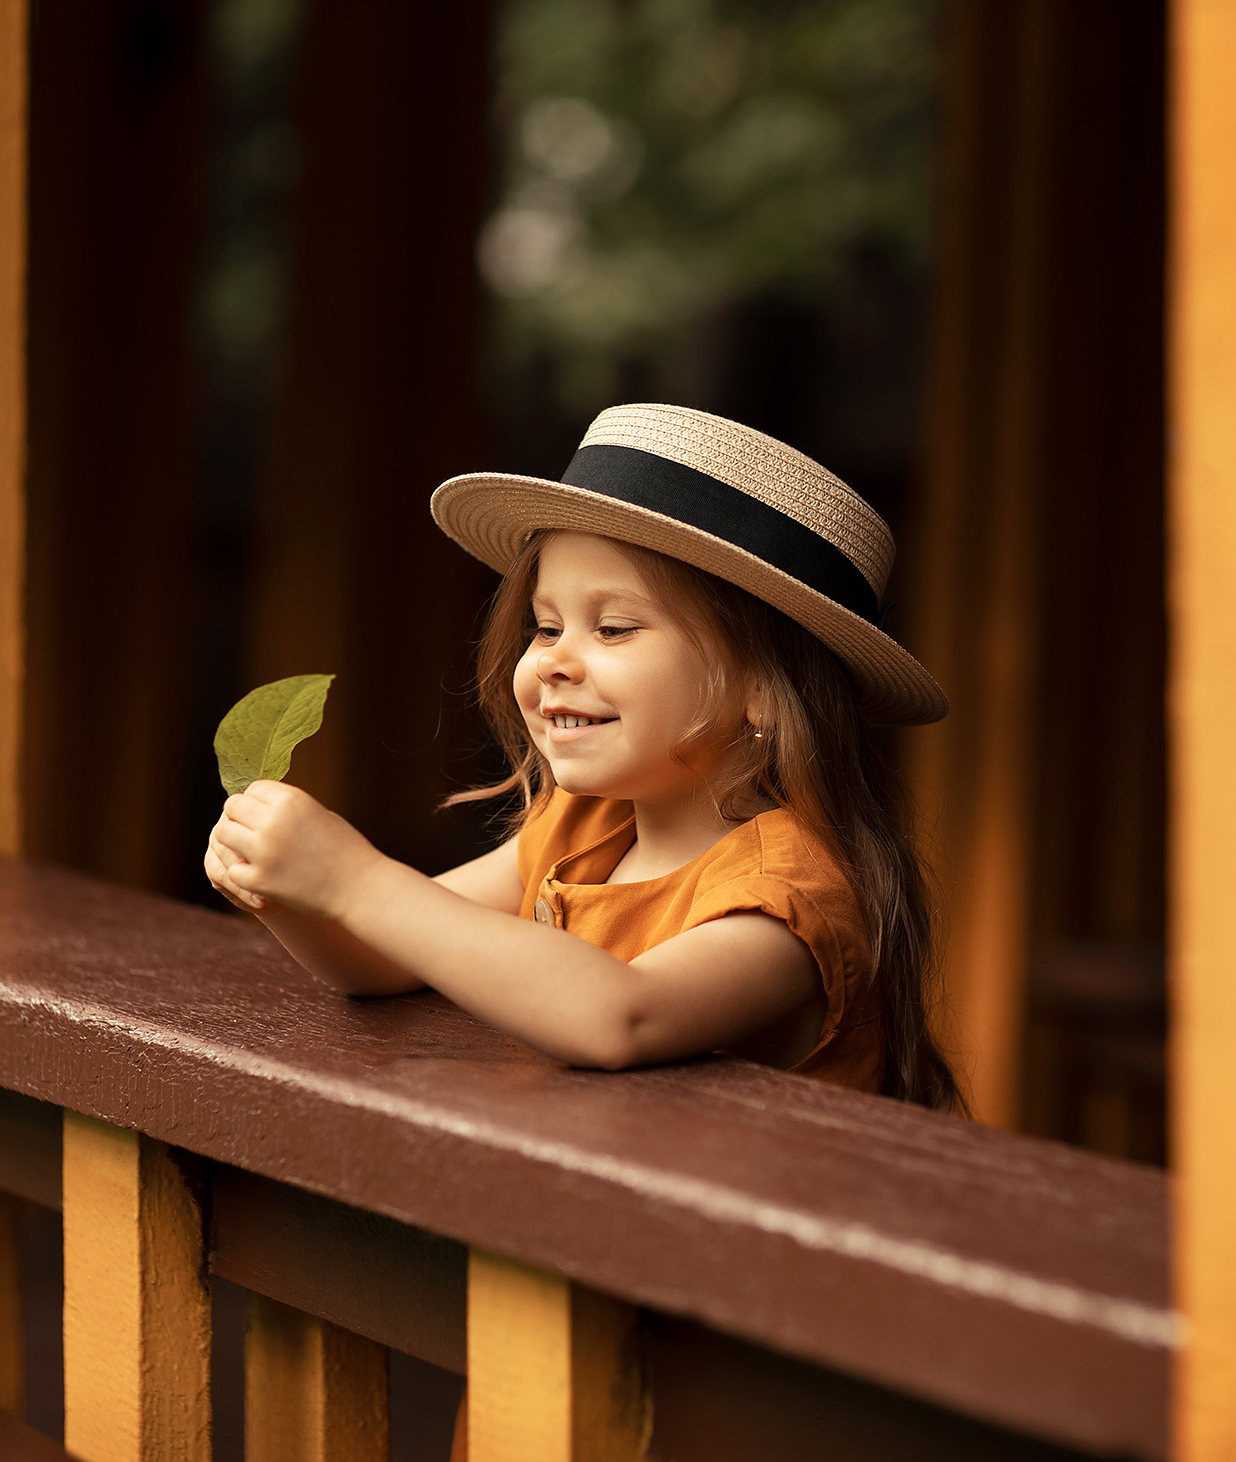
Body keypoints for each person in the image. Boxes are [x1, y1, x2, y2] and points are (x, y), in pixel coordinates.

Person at [205, 402, 961, 1110]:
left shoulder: (787, 896)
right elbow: (385, 961)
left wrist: (352, 878)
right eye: (544, 627)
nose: (555, 661)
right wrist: (287, 894)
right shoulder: (583, 827)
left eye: (615, 629)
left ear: (765, 689)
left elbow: (618, 1019)